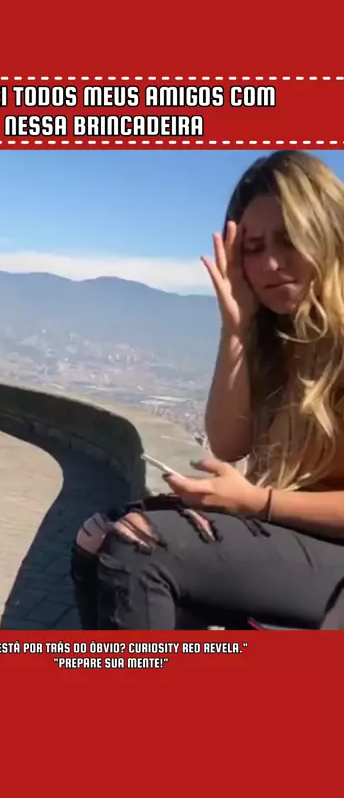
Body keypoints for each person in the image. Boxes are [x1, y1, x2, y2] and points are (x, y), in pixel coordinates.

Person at [71, 150, 344, 630]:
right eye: (253, 247)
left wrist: (259, 503)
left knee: (140, 548)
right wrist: (235, 330)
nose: (271, 263)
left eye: (289, 239)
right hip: (296, 537)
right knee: (96, 537)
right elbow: (228, 442)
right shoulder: (284, 341)